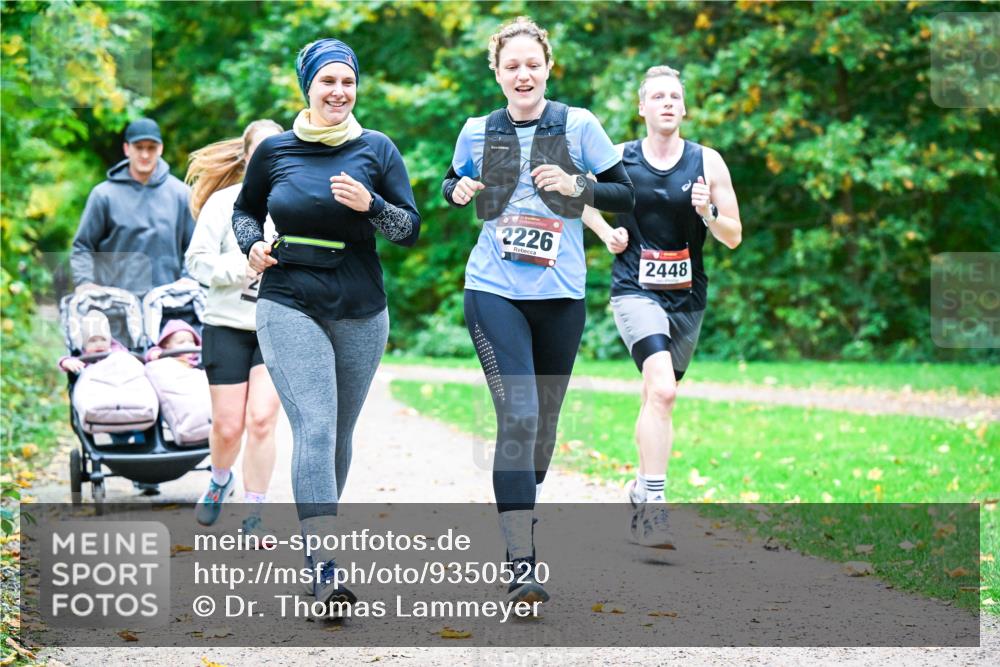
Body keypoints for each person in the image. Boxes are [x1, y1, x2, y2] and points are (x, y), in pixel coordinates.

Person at [441, 17, 634, 606]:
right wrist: (458, 191)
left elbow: (625, 192)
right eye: (511, 65)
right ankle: (520, 561)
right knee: (519, 417)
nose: (522, 74)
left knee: (542, 431)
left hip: (561, 298)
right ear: (496, 73)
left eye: (533, 64)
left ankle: (522, 502)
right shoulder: (479, 130)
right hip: (492, 290)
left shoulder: (577, 125)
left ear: (548, 67)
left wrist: (578, 184)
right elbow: (452, 181)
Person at [232, 38, 420, 612]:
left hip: (362, 308)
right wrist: (252, 246)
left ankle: (320, 549)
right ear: (307, 88)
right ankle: (324, 567)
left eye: (348, 82)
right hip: (289, 300)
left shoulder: (377, 149)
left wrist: (372, 207)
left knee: (337, 433)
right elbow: (245, 211)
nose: (338, 92)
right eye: (327, 82)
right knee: (314, 427)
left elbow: (409, 229)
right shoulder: (276, 152)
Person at [581, 65, 742, 548]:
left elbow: (732, 236)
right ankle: (654, 505)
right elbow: (573, 196)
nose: (667, 102)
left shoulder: (707, 162)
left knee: (656, 397)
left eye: (675, 96)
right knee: (664, 392)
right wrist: (607, 232)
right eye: (658, 96)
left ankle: (636, 488)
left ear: (684, 108)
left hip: (688, 298)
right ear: (642, 107)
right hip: (635, 291)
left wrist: (707, 213)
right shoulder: (620, 159)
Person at [183, 121, 284, 536]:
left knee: (262, 419)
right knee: (228, 426)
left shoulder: (296, 204)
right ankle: (220, 479)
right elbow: (197, 261)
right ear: (247, 159)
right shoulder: (223, 203)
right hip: (226, 324)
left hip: (277, 325)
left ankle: (255, 510)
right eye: (259, 152)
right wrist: (241, 267)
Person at [71, 117, 196, 299]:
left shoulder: (181, 194)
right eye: (139, 147)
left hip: (169, 303)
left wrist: (188, 278)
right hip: (115, 303)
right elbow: (83, 246)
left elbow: (195, 248)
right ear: (126, 149)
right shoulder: (103, 195)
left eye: (151, 148)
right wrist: (85, 282)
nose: (145, 154)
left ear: (160, 149)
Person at [58, 311, 127, 374]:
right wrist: (66, 362)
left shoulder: (117, 351)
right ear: (84, 344)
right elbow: (68, 360)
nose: (99, 344)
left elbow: (129, 358)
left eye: (103, 339)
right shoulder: (83, 356)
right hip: (91, 384)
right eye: (92, 340)